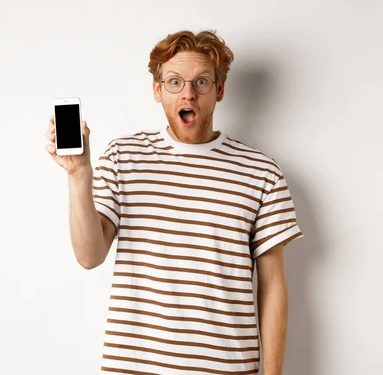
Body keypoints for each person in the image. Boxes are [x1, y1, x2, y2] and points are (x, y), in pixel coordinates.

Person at [45, 30, 304, 375]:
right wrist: (79, 176)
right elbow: (89, 257)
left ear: (219, 90)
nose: (189, 94)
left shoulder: (261, 172)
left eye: (201, 82)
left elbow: (272, 287)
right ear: (157, 90)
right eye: (174, 82)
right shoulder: (124, 157)